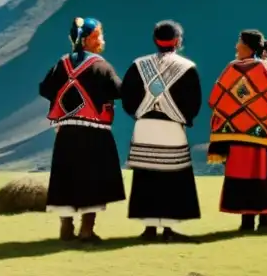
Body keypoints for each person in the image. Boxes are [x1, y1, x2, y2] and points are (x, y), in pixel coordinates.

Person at [40, 16, 126, 243]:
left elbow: (45, 88)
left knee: (65, 178)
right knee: (93, 178)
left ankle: (66, 229)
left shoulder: (61, 64)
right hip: (95, 132)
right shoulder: (101, 65)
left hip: (66, 132)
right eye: (98, 36)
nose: (101, 40)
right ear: (86, 40)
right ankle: (87, 230)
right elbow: (119, 91)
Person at [207, 30, 267, 233]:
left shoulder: (231, 69)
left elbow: (216, 99)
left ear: (247, 46)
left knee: (243, 175)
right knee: (265, 174)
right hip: (266, 135)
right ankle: (265, 219)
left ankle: (246, 221)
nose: (236, 46)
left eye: (239, 42)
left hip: (237, 135)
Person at [120, 20, 202, 242]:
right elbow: (193, 102)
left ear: (156, 40)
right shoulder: (186, 67)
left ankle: (148, 228)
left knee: (146, 176)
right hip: (172, 127)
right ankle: (168, 229)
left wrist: (140, 114)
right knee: (172, 177)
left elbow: (126, 97)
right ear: (177, 41)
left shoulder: (138, 65)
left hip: (144, 126)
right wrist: (183, 118)